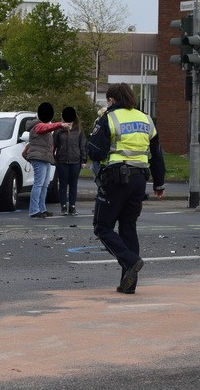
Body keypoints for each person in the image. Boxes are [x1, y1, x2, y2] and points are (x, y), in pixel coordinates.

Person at [87, 83, 165, 294]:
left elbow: (94, 151)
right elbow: (156, 154)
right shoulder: (145, 118)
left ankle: (131, 261)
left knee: (102, 227)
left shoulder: (109, 117)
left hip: (115, 179)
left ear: (112, 99)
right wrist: (159, 183)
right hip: (139, 180)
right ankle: (129, 284)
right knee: (128, 226)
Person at [24, 102, 69, 218]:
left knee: (44, 185)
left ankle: (42, 209)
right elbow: (46, 127)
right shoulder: (38, 126)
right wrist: (61, 124)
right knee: (39, 184)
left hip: (44, 158)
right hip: (39, 158)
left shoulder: (43, 127)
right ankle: (34, 210)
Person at [53, 106, 87, 215]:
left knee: (73, 184)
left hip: (75, 161)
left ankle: (72, 206)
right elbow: (53, 145)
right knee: (63, 184)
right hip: (62, 160)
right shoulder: (59, 130)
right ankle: (63, 206)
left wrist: (83, 160)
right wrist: (53, 158)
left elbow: (82, 145)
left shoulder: (79, 130)